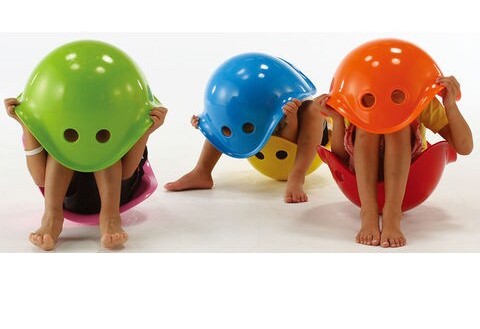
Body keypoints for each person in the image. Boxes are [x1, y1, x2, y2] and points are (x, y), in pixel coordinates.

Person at [316, 76, 473, 248]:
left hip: (408, 178)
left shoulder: (418, 97)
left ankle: (392, 214)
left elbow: (464, 147)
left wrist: (450, 105)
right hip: (361, 180)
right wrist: (338, 119)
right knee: (367, 127)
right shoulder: (355, 98)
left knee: (397, 125)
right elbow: (341, 159)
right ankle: (368, 212)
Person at [4, 97, 167, 251]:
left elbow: (126, 173)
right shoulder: (51, 127)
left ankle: (110, 218)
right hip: (68, 197)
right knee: (62, 149)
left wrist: (145, 129)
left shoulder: (118, 120)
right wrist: (26, 122)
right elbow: (40, 178)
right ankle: (52, 218)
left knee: (104, 146)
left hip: (118, 194)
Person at [164, 99, 327, 203]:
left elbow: (292, 133)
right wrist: (207, 124)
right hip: (261, 145)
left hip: (303, 151)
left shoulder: (296, 104)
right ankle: (202, 172)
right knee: (229, 112)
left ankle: (297, 177)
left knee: (312, 108)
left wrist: (292, 120)